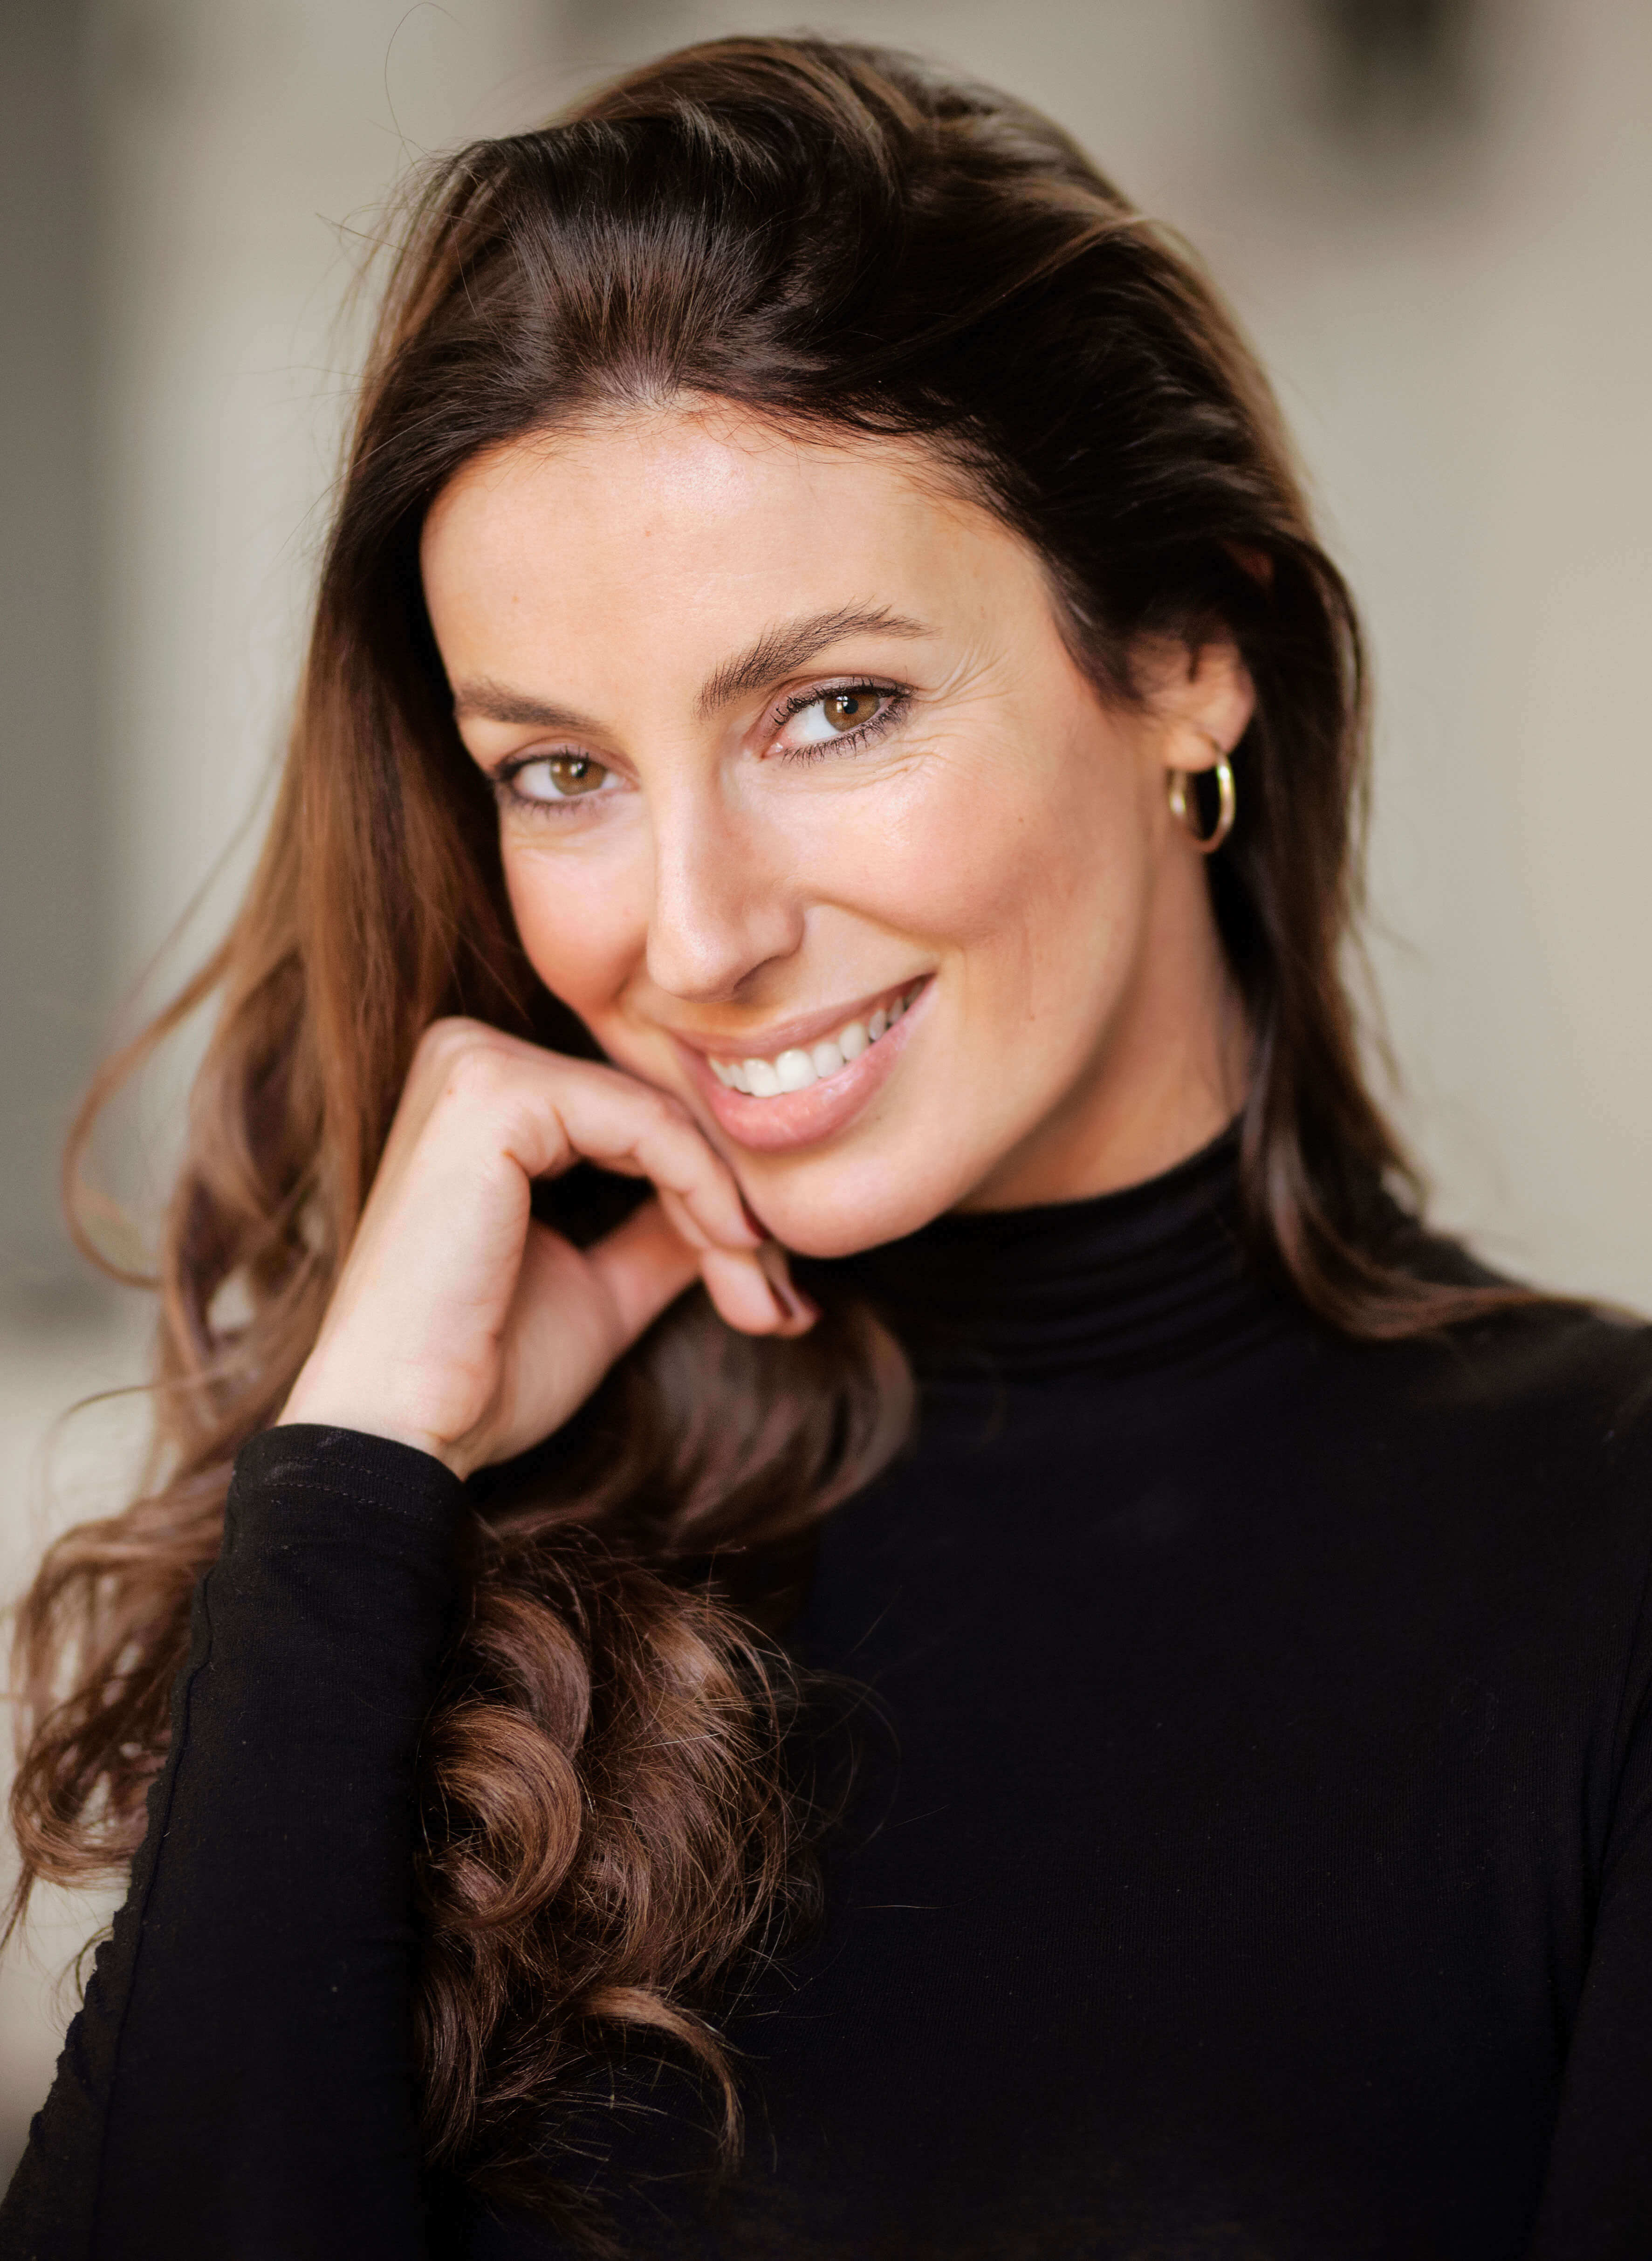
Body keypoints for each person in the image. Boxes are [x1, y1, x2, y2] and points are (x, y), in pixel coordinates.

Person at [3, 32, 1650, 2261]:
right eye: (557, 768)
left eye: (832, 708)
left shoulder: (1597, 1547)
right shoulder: (444, 1531)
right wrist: (362, 1465)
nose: (691, 934)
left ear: (1186, 651)